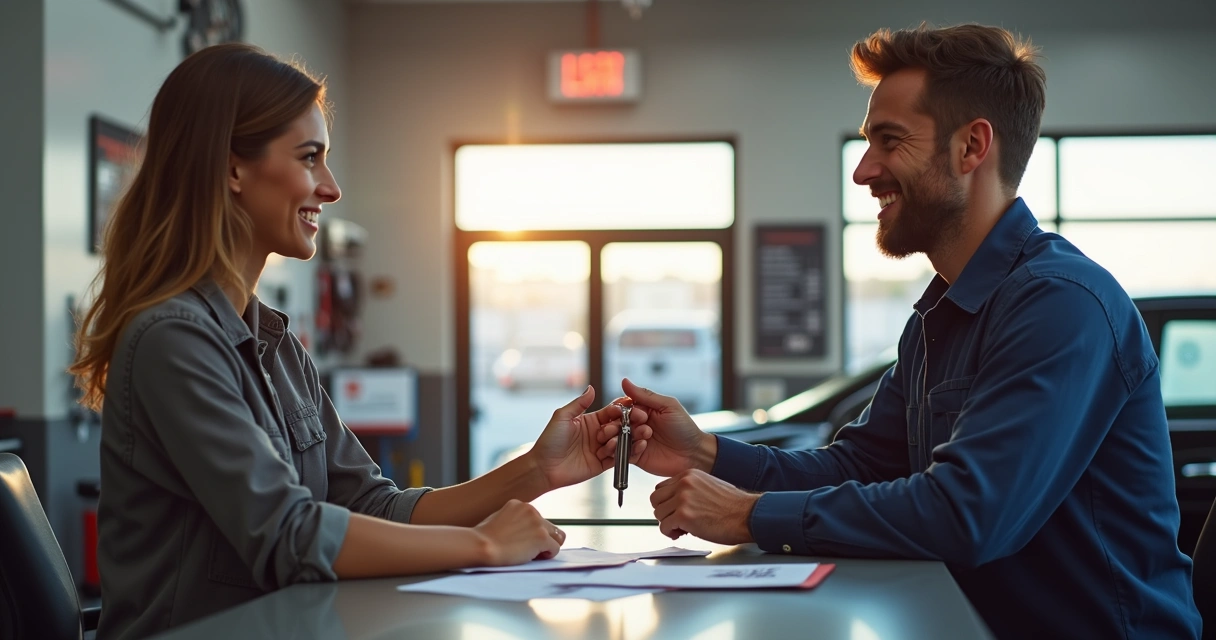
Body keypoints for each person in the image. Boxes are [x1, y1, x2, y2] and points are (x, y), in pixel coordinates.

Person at [599, 24, 1201, 639]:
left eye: (890, 142)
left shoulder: (1060, 304)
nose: (863, 171)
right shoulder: (940, 315)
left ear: (972, 147)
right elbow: (859, 465)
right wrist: (705, 452)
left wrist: (751, 515)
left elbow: (970, 513)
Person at [69, 43, 635, 640]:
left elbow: (370, 505)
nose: (332, 188)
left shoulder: (275, 343)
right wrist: (482, 546)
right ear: (232, 167)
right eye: (310, 158)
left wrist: (535, 472)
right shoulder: (172, 339)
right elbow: (287, 533)